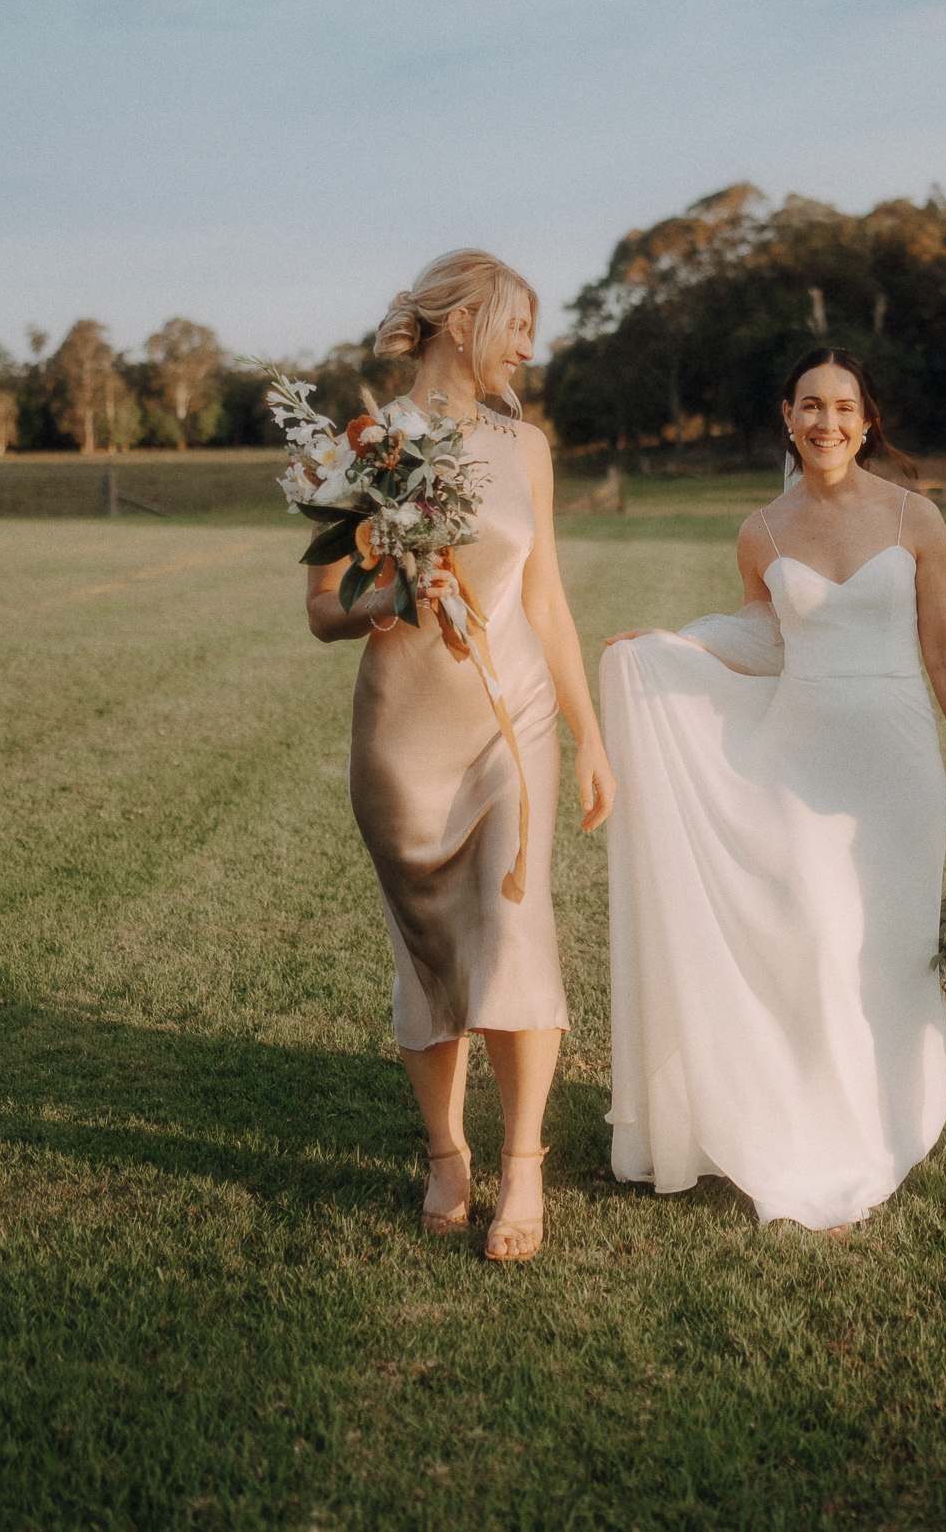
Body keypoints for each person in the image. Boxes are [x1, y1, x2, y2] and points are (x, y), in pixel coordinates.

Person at [598, 348, 946, 1234]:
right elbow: (761, 636)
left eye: (843, 406)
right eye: (810, 406)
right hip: (800, 754)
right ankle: (811, 1131)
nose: (827, 422)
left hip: (895, 766)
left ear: (866, 418)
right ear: (787, 417)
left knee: (881, 954)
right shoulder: (762, 532)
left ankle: (885, 1120)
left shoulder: (914, 517)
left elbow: (945, 652)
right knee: (815, 939)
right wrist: (669, 647)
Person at [305, 248, 614, 1263]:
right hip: (403, 737)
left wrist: (589, 734)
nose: (531, 345)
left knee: (518, 937)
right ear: (457, 320)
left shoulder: (526, 448)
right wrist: (397, 595)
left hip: (511, 718)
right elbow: (320, 608)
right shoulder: (370, 445)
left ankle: (523, 1165)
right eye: (517, 322)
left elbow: (547, 602)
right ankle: (445, 1153)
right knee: (429, 951)